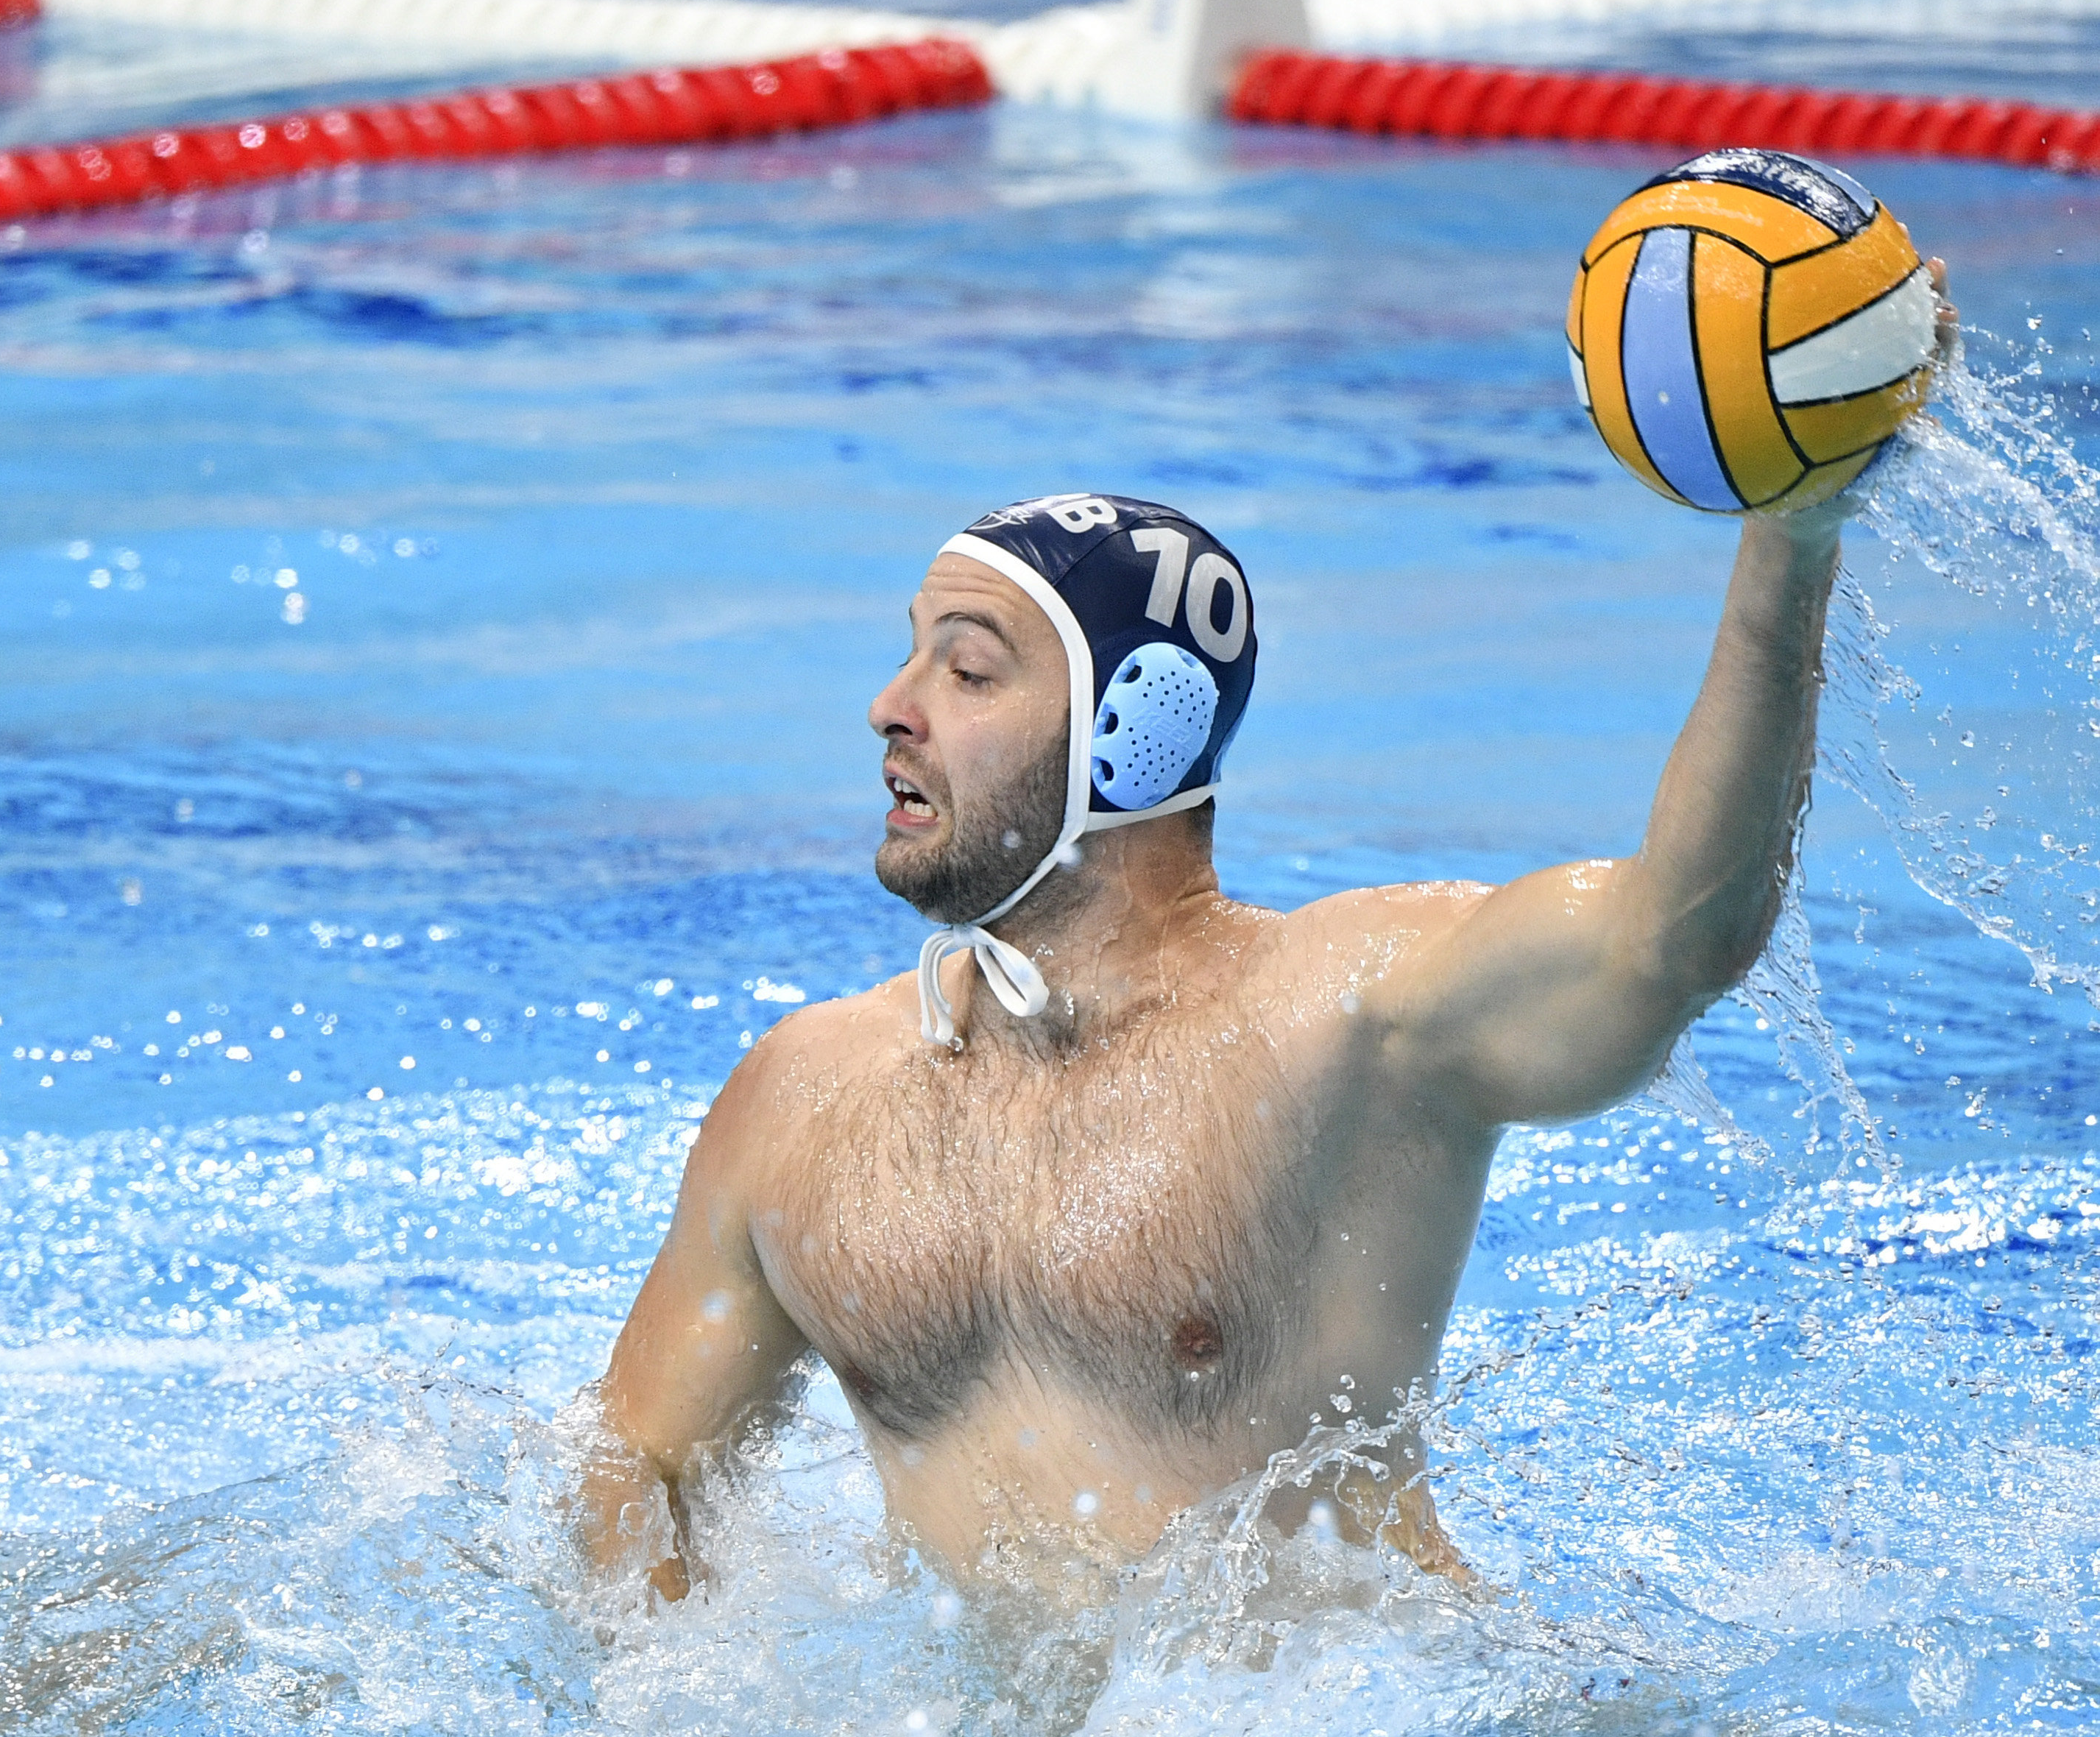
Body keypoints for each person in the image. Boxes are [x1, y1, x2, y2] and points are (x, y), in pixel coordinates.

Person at [576, 279, 1951, 1605]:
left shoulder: (1349, 1019)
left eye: (969, 666)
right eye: (911, 654)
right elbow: (639, 1456)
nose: (892, 704)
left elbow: (1676, 934)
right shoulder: (809, 1094)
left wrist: (1794, 541)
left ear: (1143, 727)